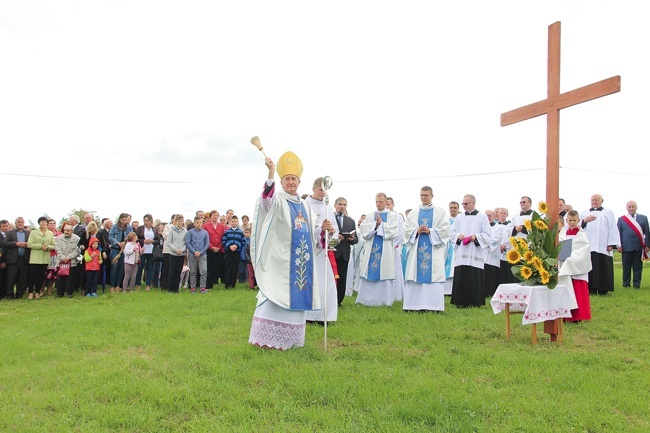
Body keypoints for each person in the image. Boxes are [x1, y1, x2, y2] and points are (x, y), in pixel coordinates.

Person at [248, 152, 324, 350]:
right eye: (287, 179)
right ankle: (265, 339)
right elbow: (266, 202)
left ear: (299, 182)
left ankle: (292, 340)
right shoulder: (278, 199)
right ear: (282, 182)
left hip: (301, 261)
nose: (291, 182)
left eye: (294, 179)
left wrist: (323, 230)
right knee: (274, 291)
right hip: (279, 258)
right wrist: (271, 173)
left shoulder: (306, 206)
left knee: (296, 293)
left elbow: (314, 232)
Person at [403, 186, 450, 312]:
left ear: (432, 196)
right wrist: (416, 231)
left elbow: (445, 230)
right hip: (416, 249)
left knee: (433, 276)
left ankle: (433, 306)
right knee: (415, 275)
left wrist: (431, 231)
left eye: (426, 195)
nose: (423, 197)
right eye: (422, 195)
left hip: (433, 250)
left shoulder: (440, 212)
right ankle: (413, 305)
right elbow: (406, 230)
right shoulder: (413, 213)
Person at [356, 193, 399, 307]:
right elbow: (364, 230)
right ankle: (366, 300)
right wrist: (374, 225)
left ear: (386, 202)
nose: (378, 204)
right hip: (371, 248)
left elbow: (394, 231)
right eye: (377, 202)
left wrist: (382, 225)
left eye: (381, 202)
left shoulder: (393, 216)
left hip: (385, 250)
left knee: (384, 272)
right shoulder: (371, 215)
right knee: (369, 271)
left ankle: (384, 301)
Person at [304, 178, 338, 322]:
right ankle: (308, 315)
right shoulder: (304, 205)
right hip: (308, 251)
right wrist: (319, 229)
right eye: (320, 190)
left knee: (325, 283)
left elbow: (335, 231)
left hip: (323, 254)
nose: (322, 193)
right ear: (313, 188)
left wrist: (330, 231)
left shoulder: (328, 208)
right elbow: (302, 226)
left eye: (325, 190)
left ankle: (324, 316)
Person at [449, 195, 492, 307]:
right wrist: (459, 235)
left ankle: (475, 301)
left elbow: (488, 235)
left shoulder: (482, 217)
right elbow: (452, 232)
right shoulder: (459, 217)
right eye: (463, 203)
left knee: (474, 276)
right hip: (462, 251)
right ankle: (460, 301)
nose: (463, 206)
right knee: (461, 274)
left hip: (475, 251)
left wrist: (475, 237)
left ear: (473, 203)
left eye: (466, 203)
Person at [580, 194, 619, 295]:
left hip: (603, 245)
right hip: (588, 246)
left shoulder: (608, 212)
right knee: (590, 268)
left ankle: (603, 290)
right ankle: (591, 289)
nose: (594, 202)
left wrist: (612, 243)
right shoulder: (584, 213)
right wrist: (585, 220)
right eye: (592, 200)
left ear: (602, 201)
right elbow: (578, 227)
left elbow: (612, 228)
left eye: (596, 200)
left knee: (603, 267)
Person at [558, 210, 592, 322]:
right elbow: (560, 247)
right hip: (565, 264)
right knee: (566, 288)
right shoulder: (562, 233)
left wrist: (572, 258)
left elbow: (584, 249)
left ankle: (579, 316)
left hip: (576, 264)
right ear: (567, 220)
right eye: (570, 220)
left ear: (578, 220)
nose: (572, 223)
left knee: (578, 290)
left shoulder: (581, 234)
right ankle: (565, 315)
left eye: (574, 220)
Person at [617, 201, 649, 289]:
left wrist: (647, 245)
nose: (631, 208)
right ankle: (626, 284)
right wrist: (618, 245)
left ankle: (636, 285)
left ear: (636, 207)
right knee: (626, 268)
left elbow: (647, 233)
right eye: (629, 207)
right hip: (626, 247)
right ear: (626, 208)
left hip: (639, 247)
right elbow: (618, 233)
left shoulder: (644, 218)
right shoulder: (621, 219)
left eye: (633, 207)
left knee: (638, 268)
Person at [333, 197, 358, 307]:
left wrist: (352, 239)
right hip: (333, 251)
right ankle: (331, 298)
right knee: (332, 276)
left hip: (345, 253)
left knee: (342, 278)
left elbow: (356, 238)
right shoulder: (330, 218)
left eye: (344, 205)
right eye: (340, 204)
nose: (342, 206)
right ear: (335, 205)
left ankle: (339, 300)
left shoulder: (351, 221)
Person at [26, 216, 55, 299]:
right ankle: (31, 292)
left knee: (41, 276)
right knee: (32, 276)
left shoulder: (50, 233)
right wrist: (40, 246)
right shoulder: (33, 232)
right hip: (35, 258)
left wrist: (48, 247)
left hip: (45, 258)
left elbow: (53, 245)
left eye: (45, 222)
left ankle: (38, 292)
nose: (43, 223)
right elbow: (29, 244)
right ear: (39, 223)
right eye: (42, 222)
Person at [3, 217, 31, 299]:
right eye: (18, 222)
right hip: (13, 259)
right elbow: (5, 243)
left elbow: (32, 243)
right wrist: (16, 244)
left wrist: (27, 244)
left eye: (22, 222)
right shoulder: (10, 233)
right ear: (15, 223)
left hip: (24, 258)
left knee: (22, 278)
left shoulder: (28, 233)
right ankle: (9, 294)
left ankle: (19, 294)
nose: (20, 223)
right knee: (11, 278)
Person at [386, 197, 405, 302]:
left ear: (393, 205)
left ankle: (396, 295)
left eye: (389, 204)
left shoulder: (398, 217)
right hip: (382, 249)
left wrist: (391, 245)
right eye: (386, 204)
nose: (387, 206)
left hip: (393, 248)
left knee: (395, 271)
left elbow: (400, 234)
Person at [109, 213, 133, 293]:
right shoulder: (114, 227)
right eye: (123, 220)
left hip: (124, 249)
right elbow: (110, 237)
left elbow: (132, 236)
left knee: (121, 268)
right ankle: (112, 286)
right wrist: (118, 243)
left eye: (126, 220)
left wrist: (125, 242)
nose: (124, 222)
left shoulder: (129, 227)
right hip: (115, 248)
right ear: (120, 219)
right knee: (114, 267)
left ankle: (118, 286)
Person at [55, 224, 81, 298]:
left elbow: (77, 250)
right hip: (61, 261)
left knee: (70, 278)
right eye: (65, 230)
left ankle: (69, 293)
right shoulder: (58, 238)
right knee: (60, 278)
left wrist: (68, 257)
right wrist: (63, 257)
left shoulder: (77, 239)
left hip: (71, 262)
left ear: (72, 231)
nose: (66, 232)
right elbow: (57, 248)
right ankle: (60, 293)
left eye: (68, 230)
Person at [186, 215, 210, 293]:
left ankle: (202, 287)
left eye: (200, 222)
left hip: (202, 255)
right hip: (192, 255)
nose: (199, 224)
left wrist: (201, 252)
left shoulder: (205, 232)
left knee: (203, 271)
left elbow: (207, 243)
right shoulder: (190, 232)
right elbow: (188, 243)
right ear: (194, 223)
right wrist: (194, 251)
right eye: (197, 222)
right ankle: (193, 287)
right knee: (193, 272)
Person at [222, 215, 246, 289]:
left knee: (235, 268)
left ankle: (233, 284)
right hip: (228, 252)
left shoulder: (240, 232)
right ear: (230, 222)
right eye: (232, 221)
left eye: (235, 221)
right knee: (227, 268)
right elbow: (223, 241)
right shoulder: (227, 232)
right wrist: (230, 246)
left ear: (237, 222)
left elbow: (243, 242)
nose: (234, 223)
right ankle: (227, 284)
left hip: (237, 252)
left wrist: (237, 246)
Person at [204, 210, 226, 288]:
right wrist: (212, 247)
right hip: (209, 249)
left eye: (217, 215)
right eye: (213, 215)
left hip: (218, 250)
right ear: (210, 217)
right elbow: (205, 238)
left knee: (215, 267)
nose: (215, 217)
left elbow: (223, 238)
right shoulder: (206, 226)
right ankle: (206, 284)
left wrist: (219, 247)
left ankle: (212, 284)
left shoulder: (221, 226)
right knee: (208, 267)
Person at [136, 214, 158, 291]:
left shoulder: (154, 229)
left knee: (150, 268)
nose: (146, 222)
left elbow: (158, 240)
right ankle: (138, 284)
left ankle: (148, 284)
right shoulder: (140, 228)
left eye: (147, 220)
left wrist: (153, 241)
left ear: (151, 221)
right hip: (142, 250)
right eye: (145, 220)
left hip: (151, 250)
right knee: (140, 267)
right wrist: (143, 241)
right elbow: (136, 239)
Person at [167, 214, 187, 293]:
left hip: (181, 254)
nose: (180, 223)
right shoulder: (171, 231)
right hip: (173, 254)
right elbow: (169, 242)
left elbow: (186, 242)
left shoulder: (185, 231)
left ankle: (176, 289)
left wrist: (182, 250)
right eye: (179, 221)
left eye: (181, 221)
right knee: (172, 272)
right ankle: (170, 289)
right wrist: (175, 250)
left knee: (178, 272)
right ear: (175, 221)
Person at [444, 201, 459, 295]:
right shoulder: (445, 220)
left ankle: (455, 289)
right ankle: (446, 290)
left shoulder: (460, 220)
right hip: (447, 246)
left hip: (457, 245)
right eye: (451, 207)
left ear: (458, 209)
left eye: (455, 207)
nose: (453, 209)